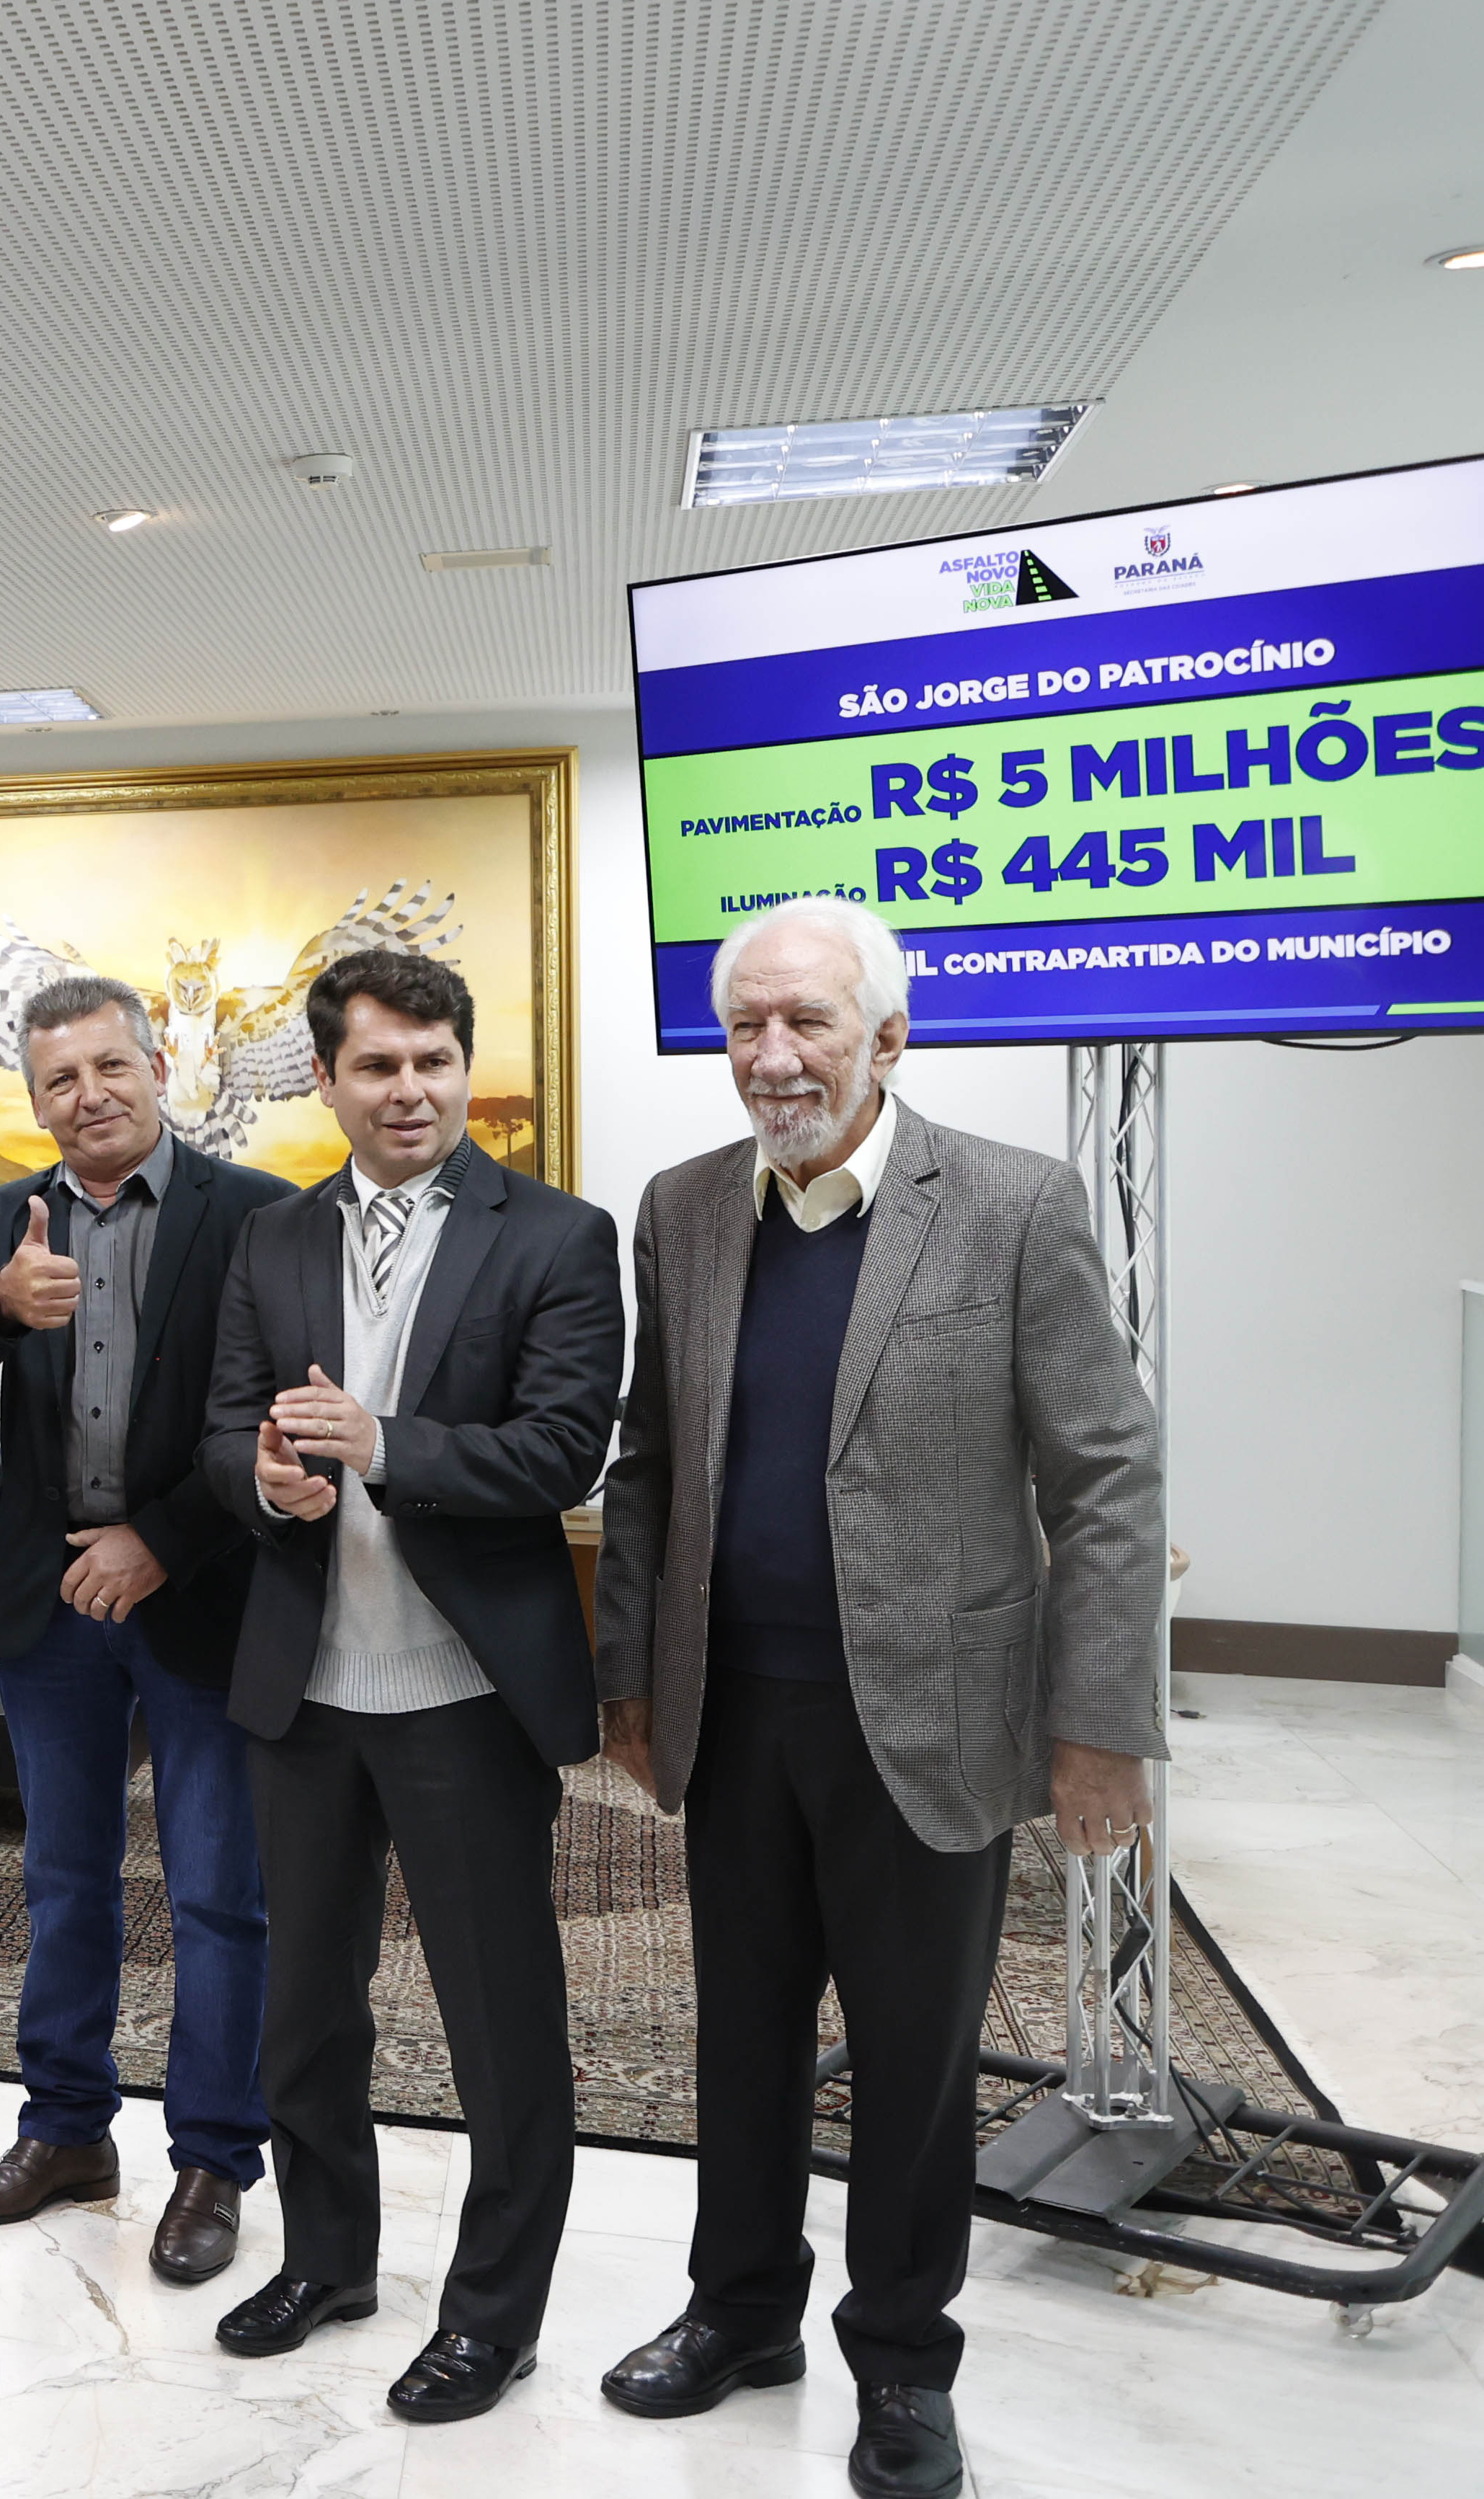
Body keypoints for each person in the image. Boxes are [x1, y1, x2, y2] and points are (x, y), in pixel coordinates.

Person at [590, 895, 1165, 2499]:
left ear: (888, 1038)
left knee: (913, 2061)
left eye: (809, 1022)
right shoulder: (683, 1208)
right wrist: (628, 1675)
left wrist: (1099, 1725)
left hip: (931, 1718)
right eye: (747, 1025)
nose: (773, 1055)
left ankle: (904, 2362)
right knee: (743, 2035)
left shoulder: (1013, 1204)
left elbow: (1106, 1478)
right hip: (735, 1710)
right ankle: (739, 2311)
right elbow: (649, 1463)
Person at [195, 948, 622, 2425]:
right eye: (377, 1065)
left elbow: (562, 1451)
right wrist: (261, 1480)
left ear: (464, 1067)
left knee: (500, 2026)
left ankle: (493, 2317)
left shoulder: (557, 1235)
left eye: (434, 1061)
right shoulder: (274, 1237)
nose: (410, 1090)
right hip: (306, 1688)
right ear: (324, 1080)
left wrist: (385, 1448)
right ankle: (328, 2261)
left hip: (465, 1694)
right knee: (306, 2011)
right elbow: (222, 1429)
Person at [0, 973, 295, 2276]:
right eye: (59, 1081)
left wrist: (161, 1541)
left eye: (110, 1067)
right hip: (52, 1604)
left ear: (158, 1070)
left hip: (202, 1591)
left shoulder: (254, 1213)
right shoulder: (7, 1217)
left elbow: (269, 1421)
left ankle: (213, 2161)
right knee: (63, 1880)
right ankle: (67, 2132)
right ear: (36, 1102)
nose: (89, 1097)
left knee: (218, 1896)